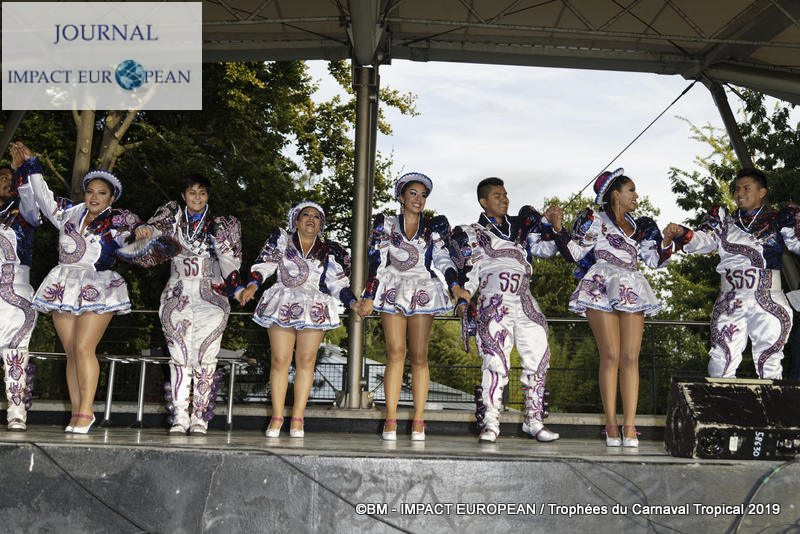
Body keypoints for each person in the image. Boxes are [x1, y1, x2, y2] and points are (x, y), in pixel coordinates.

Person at [13, 142, 143, 434]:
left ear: (111, 198)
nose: (94, 197)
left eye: (102, 193)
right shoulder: (69, 213)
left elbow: (132, 242)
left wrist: (141, 236)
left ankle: (87, 412)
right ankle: (76, 412)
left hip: (99, 287)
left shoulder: (117, 220)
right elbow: (44, 198)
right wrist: (31, 164)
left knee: (85, 347)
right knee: (71, 350)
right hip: (63, 285)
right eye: (90, 191)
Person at [450, 177, 567, 443]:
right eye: (497, 195)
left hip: (525, 299)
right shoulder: (472, 233)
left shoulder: (522, 228)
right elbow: (469, 273)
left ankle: (534, 421)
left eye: (505, 194)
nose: (504, 199)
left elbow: (547, 250)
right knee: (495, 362)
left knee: (538, 357)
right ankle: (490, 423)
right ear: (483, 201)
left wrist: (553, 225)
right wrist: (463, 299)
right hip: (494, 301)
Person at [563, 168, 673, 447]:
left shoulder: (643, 225)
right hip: (601, 284)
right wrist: (556, 228)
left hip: (633, 286)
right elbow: (574, 252)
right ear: (615, 193)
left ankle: (630, 425)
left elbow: (654, 260)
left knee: (631, 358)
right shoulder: (595, 220)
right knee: (610, 355)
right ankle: (611, 424)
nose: (637, 195)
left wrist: (670, 242)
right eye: (631, 190)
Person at [237, 201, 364, 438]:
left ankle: (297, 418)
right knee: (280, 360)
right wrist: (252, 285)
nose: (311, 219)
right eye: (306, 215)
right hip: (282, 302)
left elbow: (338, 284)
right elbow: (264, 265)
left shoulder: (329, 250)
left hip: (314, 306)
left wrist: (353, 302)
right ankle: (276, 417)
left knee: (306, 361)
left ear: (321, 225)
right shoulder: (282, 241)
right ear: (295, 220)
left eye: (316, 217)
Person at [360, 172, 470, 441]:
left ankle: (419, 420)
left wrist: (455, 287)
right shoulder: (385, 224)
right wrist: (370, 295)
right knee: (395, 352)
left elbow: (443, 259)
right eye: (413, 193)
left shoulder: (434, 227)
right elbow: (376, 260)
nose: (418, 199)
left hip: (422, 288)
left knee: (419, 355)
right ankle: (391, 418)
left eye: (422, 195)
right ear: (401, 196)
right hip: (392, 288)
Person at [662, 167, 800, 380]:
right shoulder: (724, 222)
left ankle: (773, 412)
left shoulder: (779, 219)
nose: (740, 193)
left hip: (769, 297)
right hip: (731, 299)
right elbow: (704, 241)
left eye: (747, 188)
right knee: (721, 357)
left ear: (762, 192)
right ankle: (719, 412)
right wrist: (682, 232)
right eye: (737, 189)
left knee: (770, 360)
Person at [133, 174, 244, 435]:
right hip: (177, 293)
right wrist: (146, 231)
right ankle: (180, 416)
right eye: (192, 192)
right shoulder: (171, 217)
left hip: (211, 296)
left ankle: (201, 418)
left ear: (208, 196)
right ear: (183, 196)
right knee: (179, 356)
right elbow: (154, 230)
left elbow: (229, 262)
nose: (197, 197)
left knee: (206, 356)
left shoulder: (221, 225)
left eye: (202, 193)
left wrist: (237, 288)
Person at [1, 160, 41, 431]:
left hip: (16, 289)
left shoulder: (25, 210)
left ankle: (16, 412)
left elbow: (34, 207)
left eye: (8, 177)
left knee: (16, 352)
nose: (3, 180)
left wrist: (27, 169)